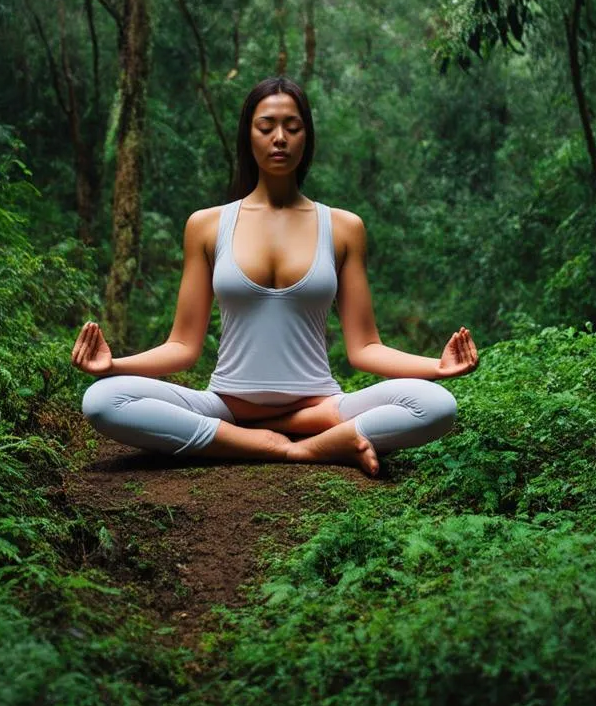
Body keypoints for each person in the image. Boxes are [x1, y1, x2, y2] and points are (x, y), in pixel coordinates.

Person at [74, 76, 478, 477]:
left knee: (437, 404)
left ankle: (301, 443)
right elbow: (182, 345)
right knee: (103, 399)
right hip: (226, 405)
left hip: (321, 409)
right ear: (248, 136)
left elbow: (365, 348)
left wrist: (435, 367)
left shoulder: (343, 227)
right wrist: (114, 365)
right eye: (266, 127)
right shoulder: (207, 225)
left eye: (293, 127)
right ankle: (268, 444)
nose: (280, 138)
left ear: (307, 137)